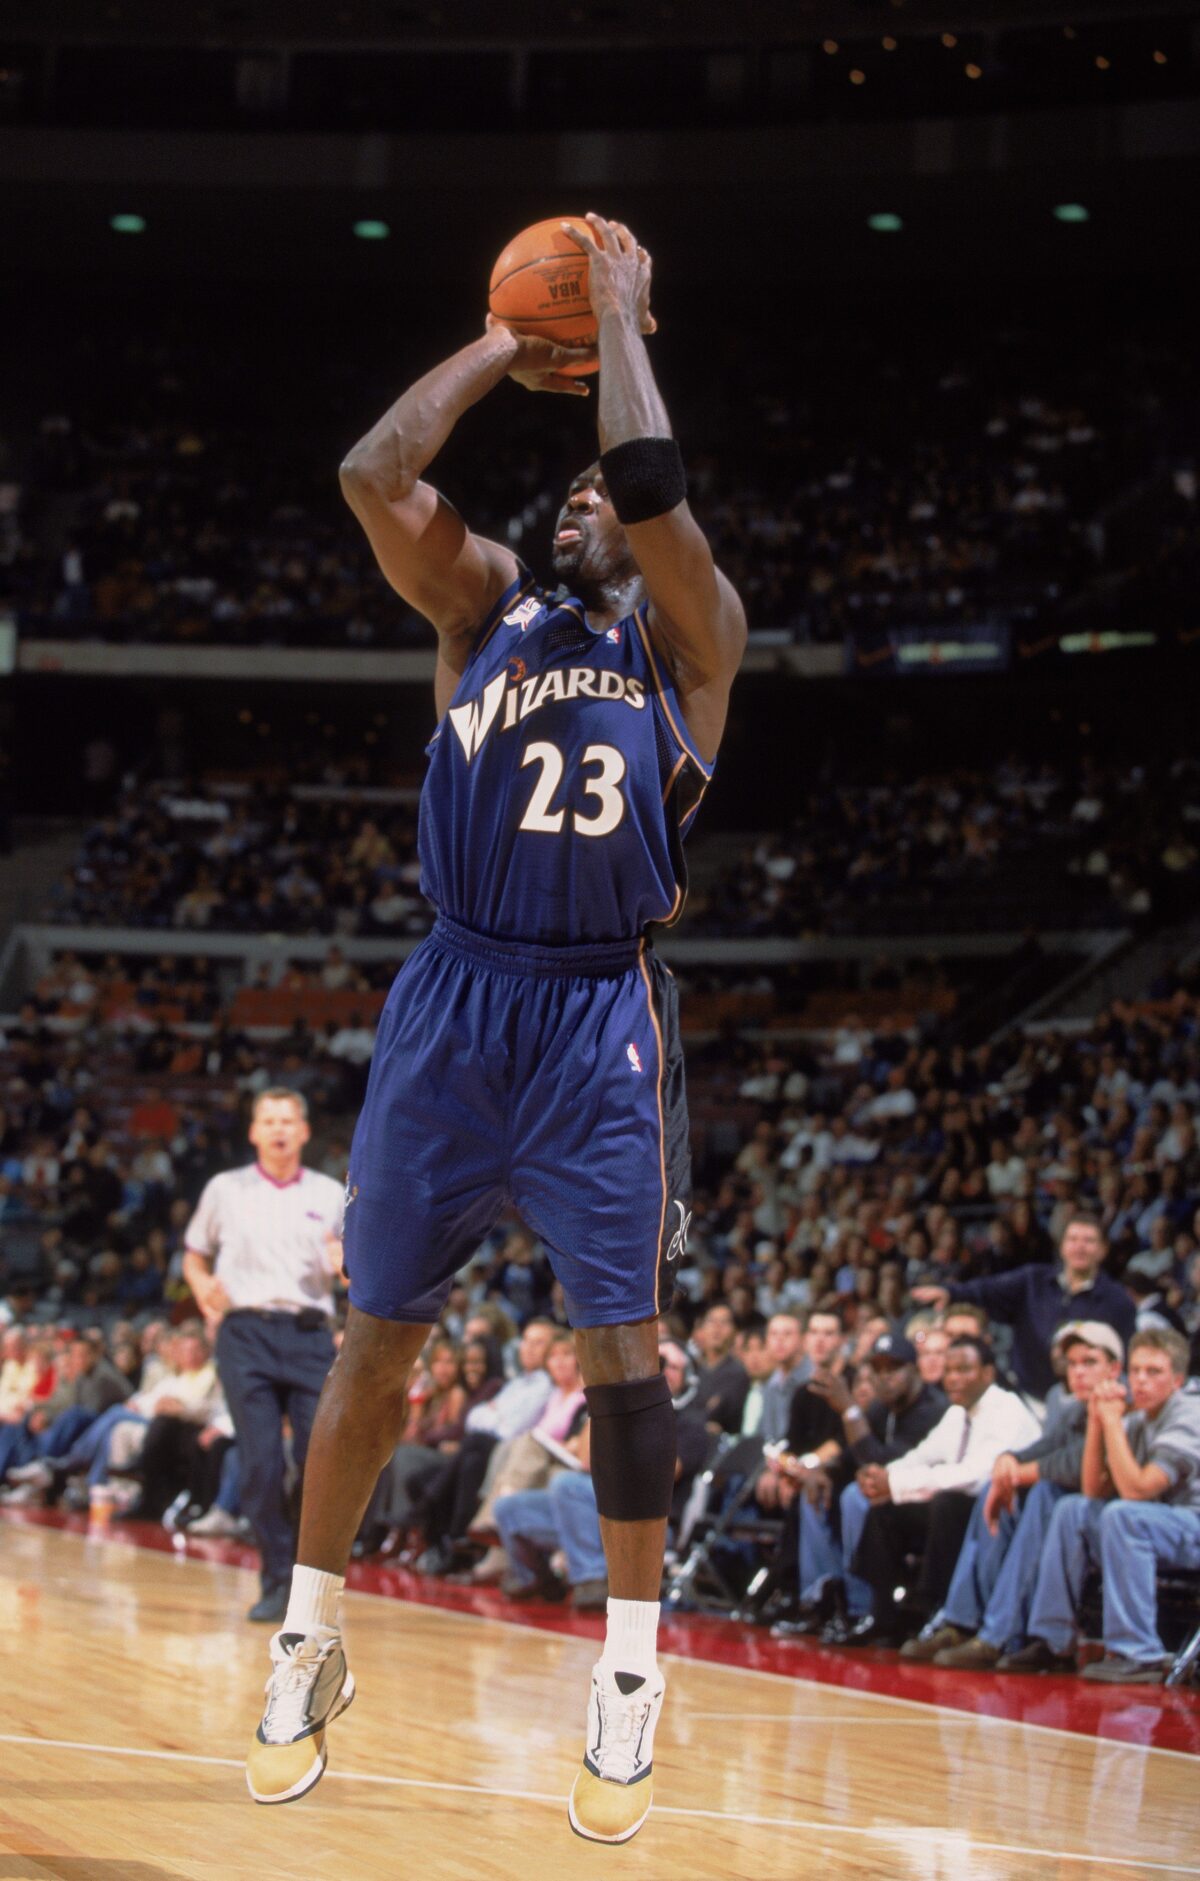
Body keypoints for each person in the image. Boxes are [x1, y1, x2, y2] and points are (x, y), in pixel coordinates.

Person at [246, 218, 746, 1844]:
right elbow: (368, 473)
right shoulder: (485, 617)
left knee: (622, 1350)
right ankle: (307, 1637)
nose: (584, 497)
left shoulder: (694, 642)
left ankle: (628, 1674)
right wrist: (499, 345)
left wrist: (612, 310)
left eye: (603, 490)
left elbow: (657, 486)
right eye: (574, 488)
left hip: (597, 1008)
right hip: (455, 996)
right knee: (375, 1336)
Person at [182, 1088, 344, 1622]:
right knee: (261, 1463)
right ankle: (275, 1578)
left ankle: (307, 1584)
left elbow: (345, 1271)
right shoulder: (225, 1190)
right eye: (269, 1120)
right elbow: (194, 1254)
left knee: (314, 1464)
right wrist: (202, 1285)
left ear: (304, 1131)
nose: (279, 1129)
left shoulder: (329, 1191)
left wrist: (345, 1260)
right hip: (244, 1335)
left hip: (308, 1334)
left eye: (288, 1120)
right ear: (254, 1131)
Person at [904, 1320, 1124, 1665]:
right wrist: (1009, 1461)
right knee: (999, 1485)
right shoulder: (1077, 1408)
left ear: (1114, 1367)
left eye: (1089, 1362)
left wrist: (1019, 1473)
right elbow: (1047, 1446)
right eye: (1073, 1363)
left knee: (1044, 1493)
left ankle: (1000, 1634)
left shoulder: (1122, 1404)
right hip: (1083, 1513)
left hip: (1114, 1517)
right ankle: (962, 1620)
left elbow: (1079, 1465)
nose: (1078, 1372)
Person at [1001, 1328, 1200, 1682]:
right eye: (1136, 1370)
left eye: (1153, 1372)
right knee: (1073, 1509)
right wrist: (1097, 1420)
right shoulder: (1139, 1417)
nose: (1140, 1380)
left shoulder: (1189, 1414)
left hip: (1192, 1525)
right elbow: (1093, 1489)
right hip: (1158, 1522)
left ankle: (1139, 1653)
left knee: (1124, 1515)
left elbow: (1138, 1490)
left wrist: (1111, 1421)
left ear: (1178, 1379)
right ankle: (1054, 1641)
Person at [829, 1336, 1042, 1647]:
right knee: (886, 1509)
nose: (952, 1378)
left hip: (1006, 1514)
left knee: (948, 1503)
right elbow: (923, 1455)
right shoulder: (958, 1412)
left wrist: (897, 1484)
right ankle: (884, 1613)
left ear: (987, 1374)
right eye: (949, 1370)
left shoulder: (1006, 1410)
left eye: (963, 1369)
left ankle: (933, 1608)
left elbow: (975, 1477)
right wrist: (885, 1476)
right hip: (967, 1509)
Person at [770, 1331, 946, 1640]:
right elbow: (853, 1455)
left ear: (915, 1370)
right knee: (816, 1493)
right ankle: (819, 1598)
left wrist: (850, 1410)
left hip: (926, 1503)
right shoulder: (883, 1409)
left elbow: (882, 1462)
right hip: (888, 1495)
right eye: (877, 1370)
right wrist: (825, 1470)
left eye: (893, 1369)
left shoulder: (932, 1409)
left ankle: (862, 1608)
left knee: (856, 1495)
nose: (883, 1377)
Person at [913, 1215, 1134, 1402]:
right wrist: (951, 1293)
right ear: (1062, 1246)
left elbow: (1122, 1359)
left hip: (1085, 1401)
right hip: (1027, 1396)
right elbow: (989, 1289)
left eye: (1088, 1241)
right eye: (1073, 1239)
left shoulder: (1118, 1301)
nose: (1079, 1247)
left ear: (1103, 1250)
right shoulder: (1033, 1280)